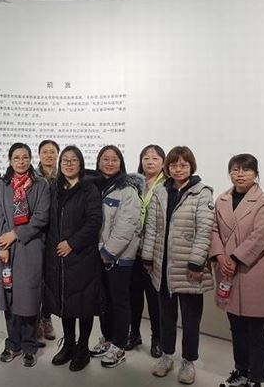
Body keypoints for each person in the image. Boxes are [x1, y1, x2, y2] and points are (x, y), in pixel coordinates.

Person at [142, 146, 214, 385]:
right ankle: (166, 356)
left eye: (183, 165)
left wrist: (196, 262)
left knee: (191, 319)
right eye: (173, 165)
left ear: (191, 166)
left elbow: (205, 230)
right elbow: (152, 228)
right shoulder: (161, 191)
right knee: (166, 317)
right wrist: (148, 256)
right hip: (162, 267)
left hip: (189, 268)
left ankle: (188, 361)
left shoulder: (202, 193)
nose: (178, 169)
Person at [210, 154, 264, 387]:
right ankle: (241, 371)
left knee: (257, 329)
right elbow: (214, 230)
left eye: (246, 170)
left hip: (253, 270)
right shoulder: (222, 200)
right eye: (235, 170)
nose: (240, 174)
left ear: (256, 174)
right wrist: (220, 256)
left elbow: (261, 235)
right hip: (227, 271)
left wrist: (235, 258)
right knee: (236, 327)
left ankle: (256, 378)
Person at [0, 143, 50, 368]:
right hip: (6, 247)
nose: (21, 161)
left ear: (30, 159)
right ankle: (12, 344)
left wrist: (16, 234)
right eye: (16, 158)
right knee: (9, 296)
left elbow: (41, 217)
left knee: (29, 297)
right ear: (10, 160)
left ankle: (30, 346)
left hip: (29, 246)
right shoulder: (3, 184)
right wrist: (2, 244)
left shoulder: (41, 184)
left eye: (25, 157)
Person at [44, 145, 103, 372]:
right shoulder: (54, 188)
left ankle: (83, 348)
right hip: (57, 256)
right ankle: (68, 345)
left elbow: (94, 221)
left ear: (81, 163)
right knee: (65, 302)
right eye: (65, 160)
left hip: (81, 255)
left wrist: (72, 243)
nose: (69, 164)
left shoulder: (89, 189)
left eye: (73, 160)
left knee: (84, 304)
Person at [89, 145, 143, 368]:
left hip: (119, 257)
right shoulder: (95, 186)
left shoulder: (127, 190)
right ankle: (108, 338)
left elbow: (127, 225)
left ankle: (119, 345)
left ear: (121, 163)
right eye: (105, 159)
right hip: (98, 255)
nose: (109, 163)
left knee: (119, 301)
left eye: (114, 159)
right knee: (103, 300)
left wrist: (108, 252)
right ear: (98, 161)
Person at [126, 144, 166, 358]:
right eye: (146, 158)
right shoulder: (133, 184)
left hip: (155, 251)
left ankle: (157, 338)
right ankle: (134, 334)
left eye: (155, 158)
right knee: (133, 296)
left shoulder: (167, 185)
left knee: (154, 298)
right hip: (133, 249)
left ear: (163, 162)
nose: (150, 162)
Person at [34, 140, 59, 342]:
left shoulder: (64, 175)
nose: (49, 155)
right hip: (37, 234)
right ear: (39, 154)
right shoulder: (33, 177)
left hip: (57, 235)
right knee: (36, 279)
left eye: (52, 152)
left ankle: (46, 318)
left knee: (50, 280)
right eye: (45, 152)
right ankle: (35, 322)